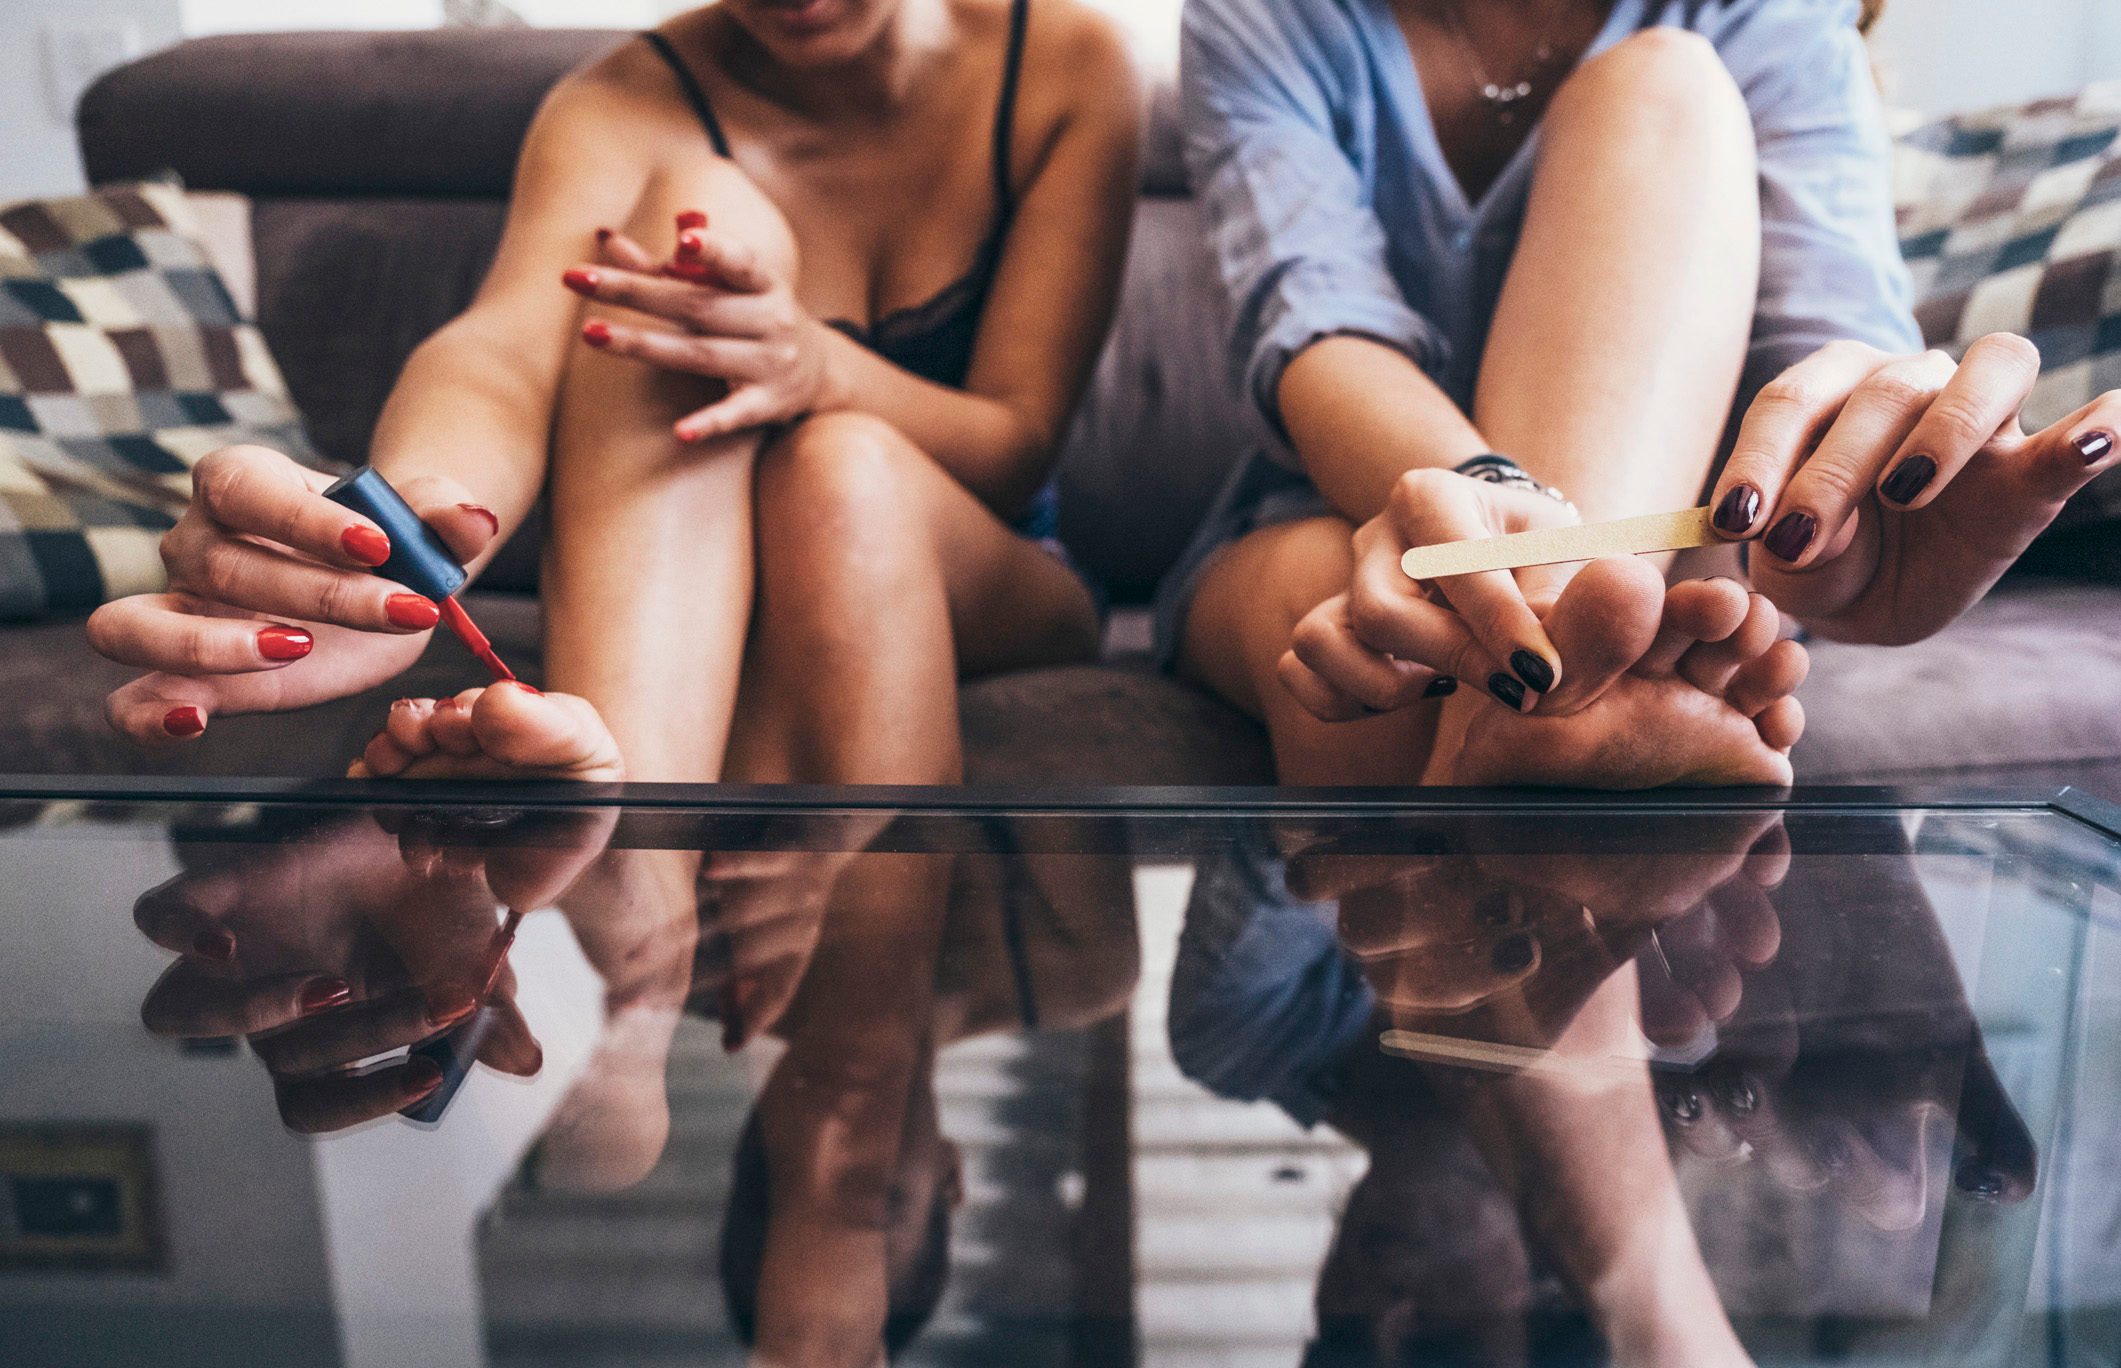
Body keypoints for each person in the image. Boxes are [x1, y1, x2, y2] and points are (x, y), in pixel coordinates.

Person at [85, 0, 1143, 798]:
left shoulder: (1063, 63)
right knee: (700, 205)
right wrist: (407, 532)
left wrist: (818, 370)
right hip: (709, 585)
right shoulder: (620, 105)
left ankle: (645, 899)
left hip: (989, 568)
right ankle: (633, 922)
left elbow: (1017, 443)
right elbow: (502, 352)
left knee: (842, 466)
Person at [1165, 0, 2121, 791]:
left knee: (1663, 82)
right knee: (1346, 600)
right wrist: (1508, 523)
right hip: (1330, 500)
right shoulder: (1267, 17)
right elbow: (1316, 326)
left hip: (1671, 543)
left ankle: (1528, 740)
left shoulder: (1761, 15)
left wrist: (1860, 475)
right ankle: (1561, 708)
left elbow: (1826, 349)